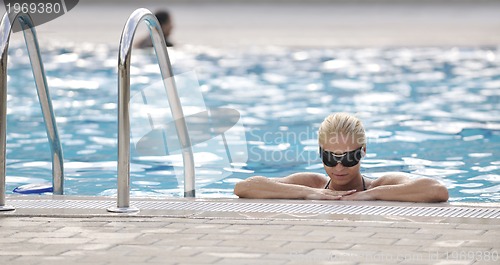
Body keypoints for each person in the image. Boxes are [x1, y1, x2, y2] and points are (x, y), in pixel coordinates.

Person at [234, 112, 449, 202]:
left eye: (348, 158)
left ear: (363, 151)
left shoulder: (379, 185)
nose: (338, 167)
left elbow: (437, 190)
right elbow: (244, 187)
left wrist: (371, 196)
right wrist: (309, 193)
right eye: (330, 158)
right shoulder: (312, 184)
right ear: (320, 153)